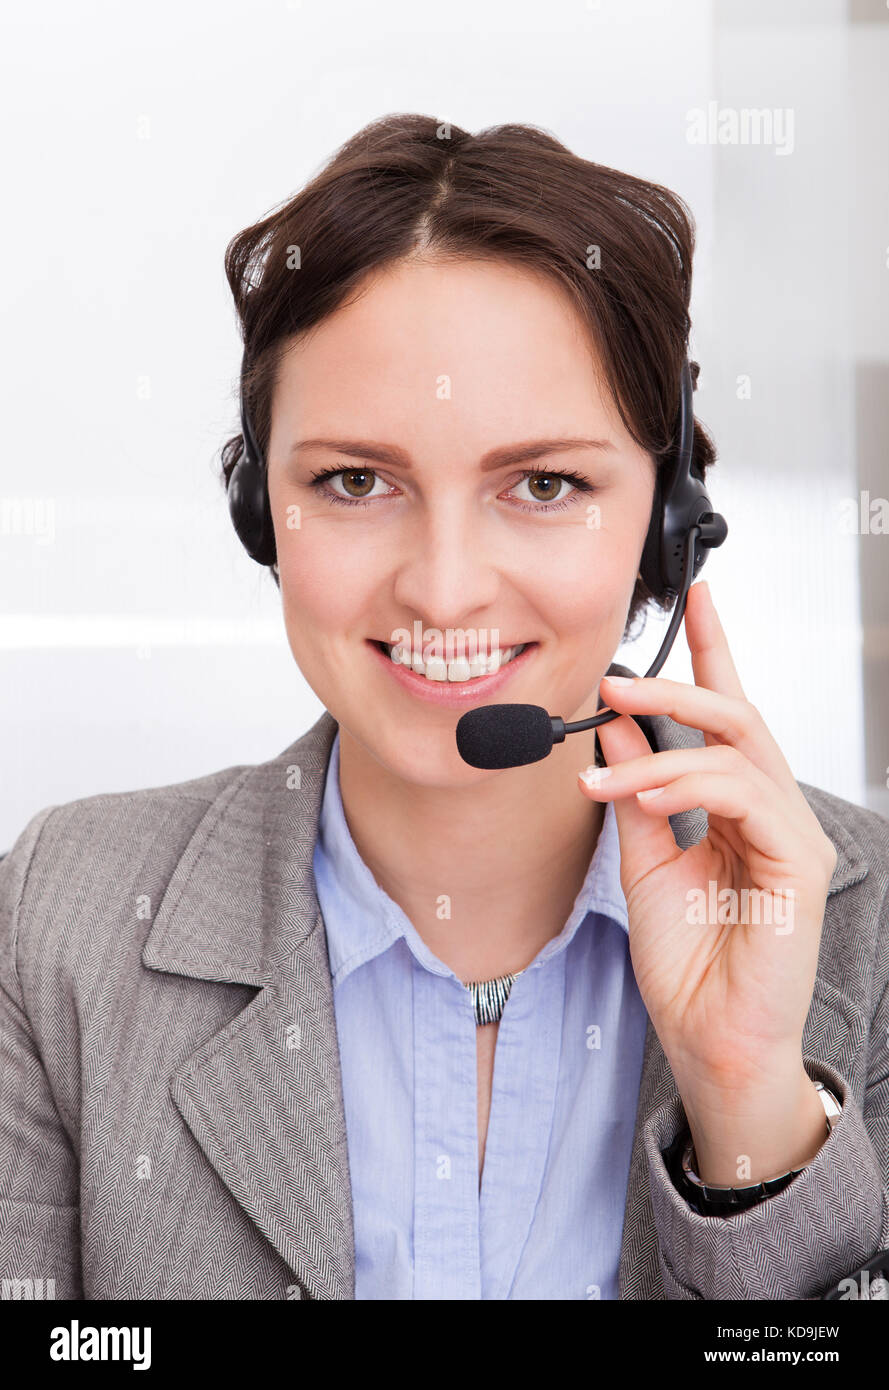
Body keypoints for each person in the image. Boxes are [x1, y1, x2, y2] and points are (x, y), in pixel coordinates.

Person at [1, 114, 888, 1302]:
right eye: (355, 481)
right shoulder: (60, 920)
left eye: (543, 483)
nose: (445, 583)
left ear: (667, 525)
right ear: (260, 509)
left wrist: (749, 1119)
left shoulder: (864, 930)